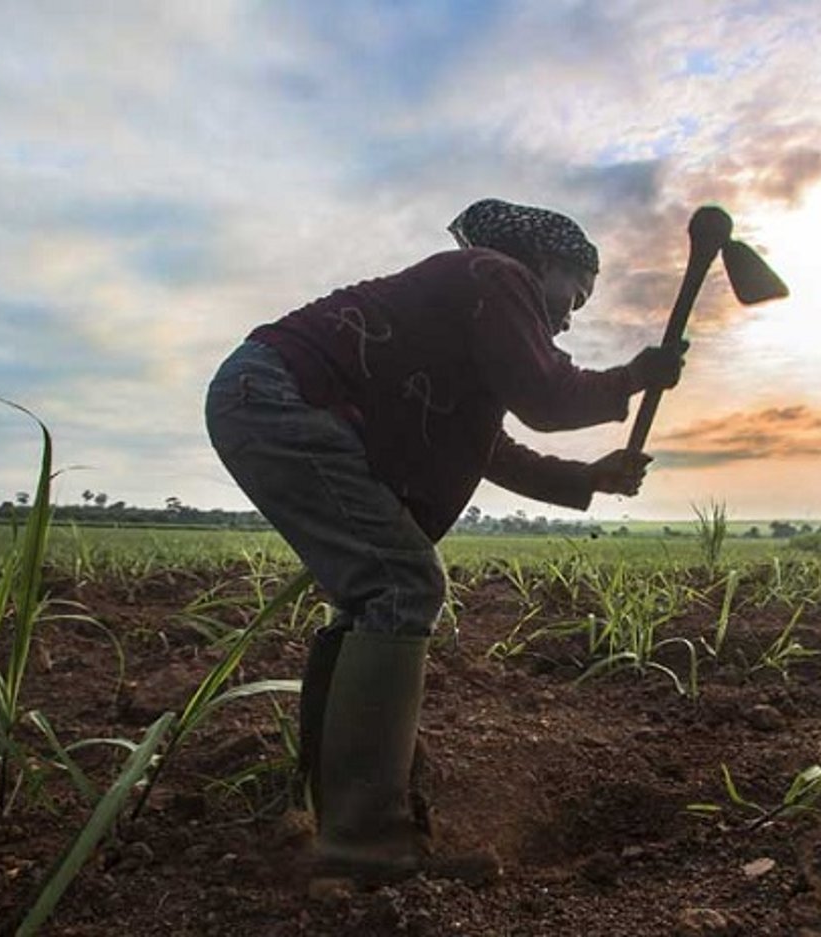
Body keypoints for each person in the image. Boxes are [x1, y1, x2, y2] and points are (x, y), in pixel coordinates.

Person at [204, 198, 687, 883]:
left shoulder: (469, 314)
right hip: (280, 397)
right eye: (573, 293)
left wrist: (589, 478)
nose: (570, 315)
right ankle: (365, 845)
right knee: (403, 583)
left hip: (262, 394)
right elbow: (547, 399)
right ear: (543, 265)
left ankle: (332, 815)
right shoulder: (493, 274)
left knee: (374, 595)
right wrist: (634, 378)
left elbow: (491, 446)